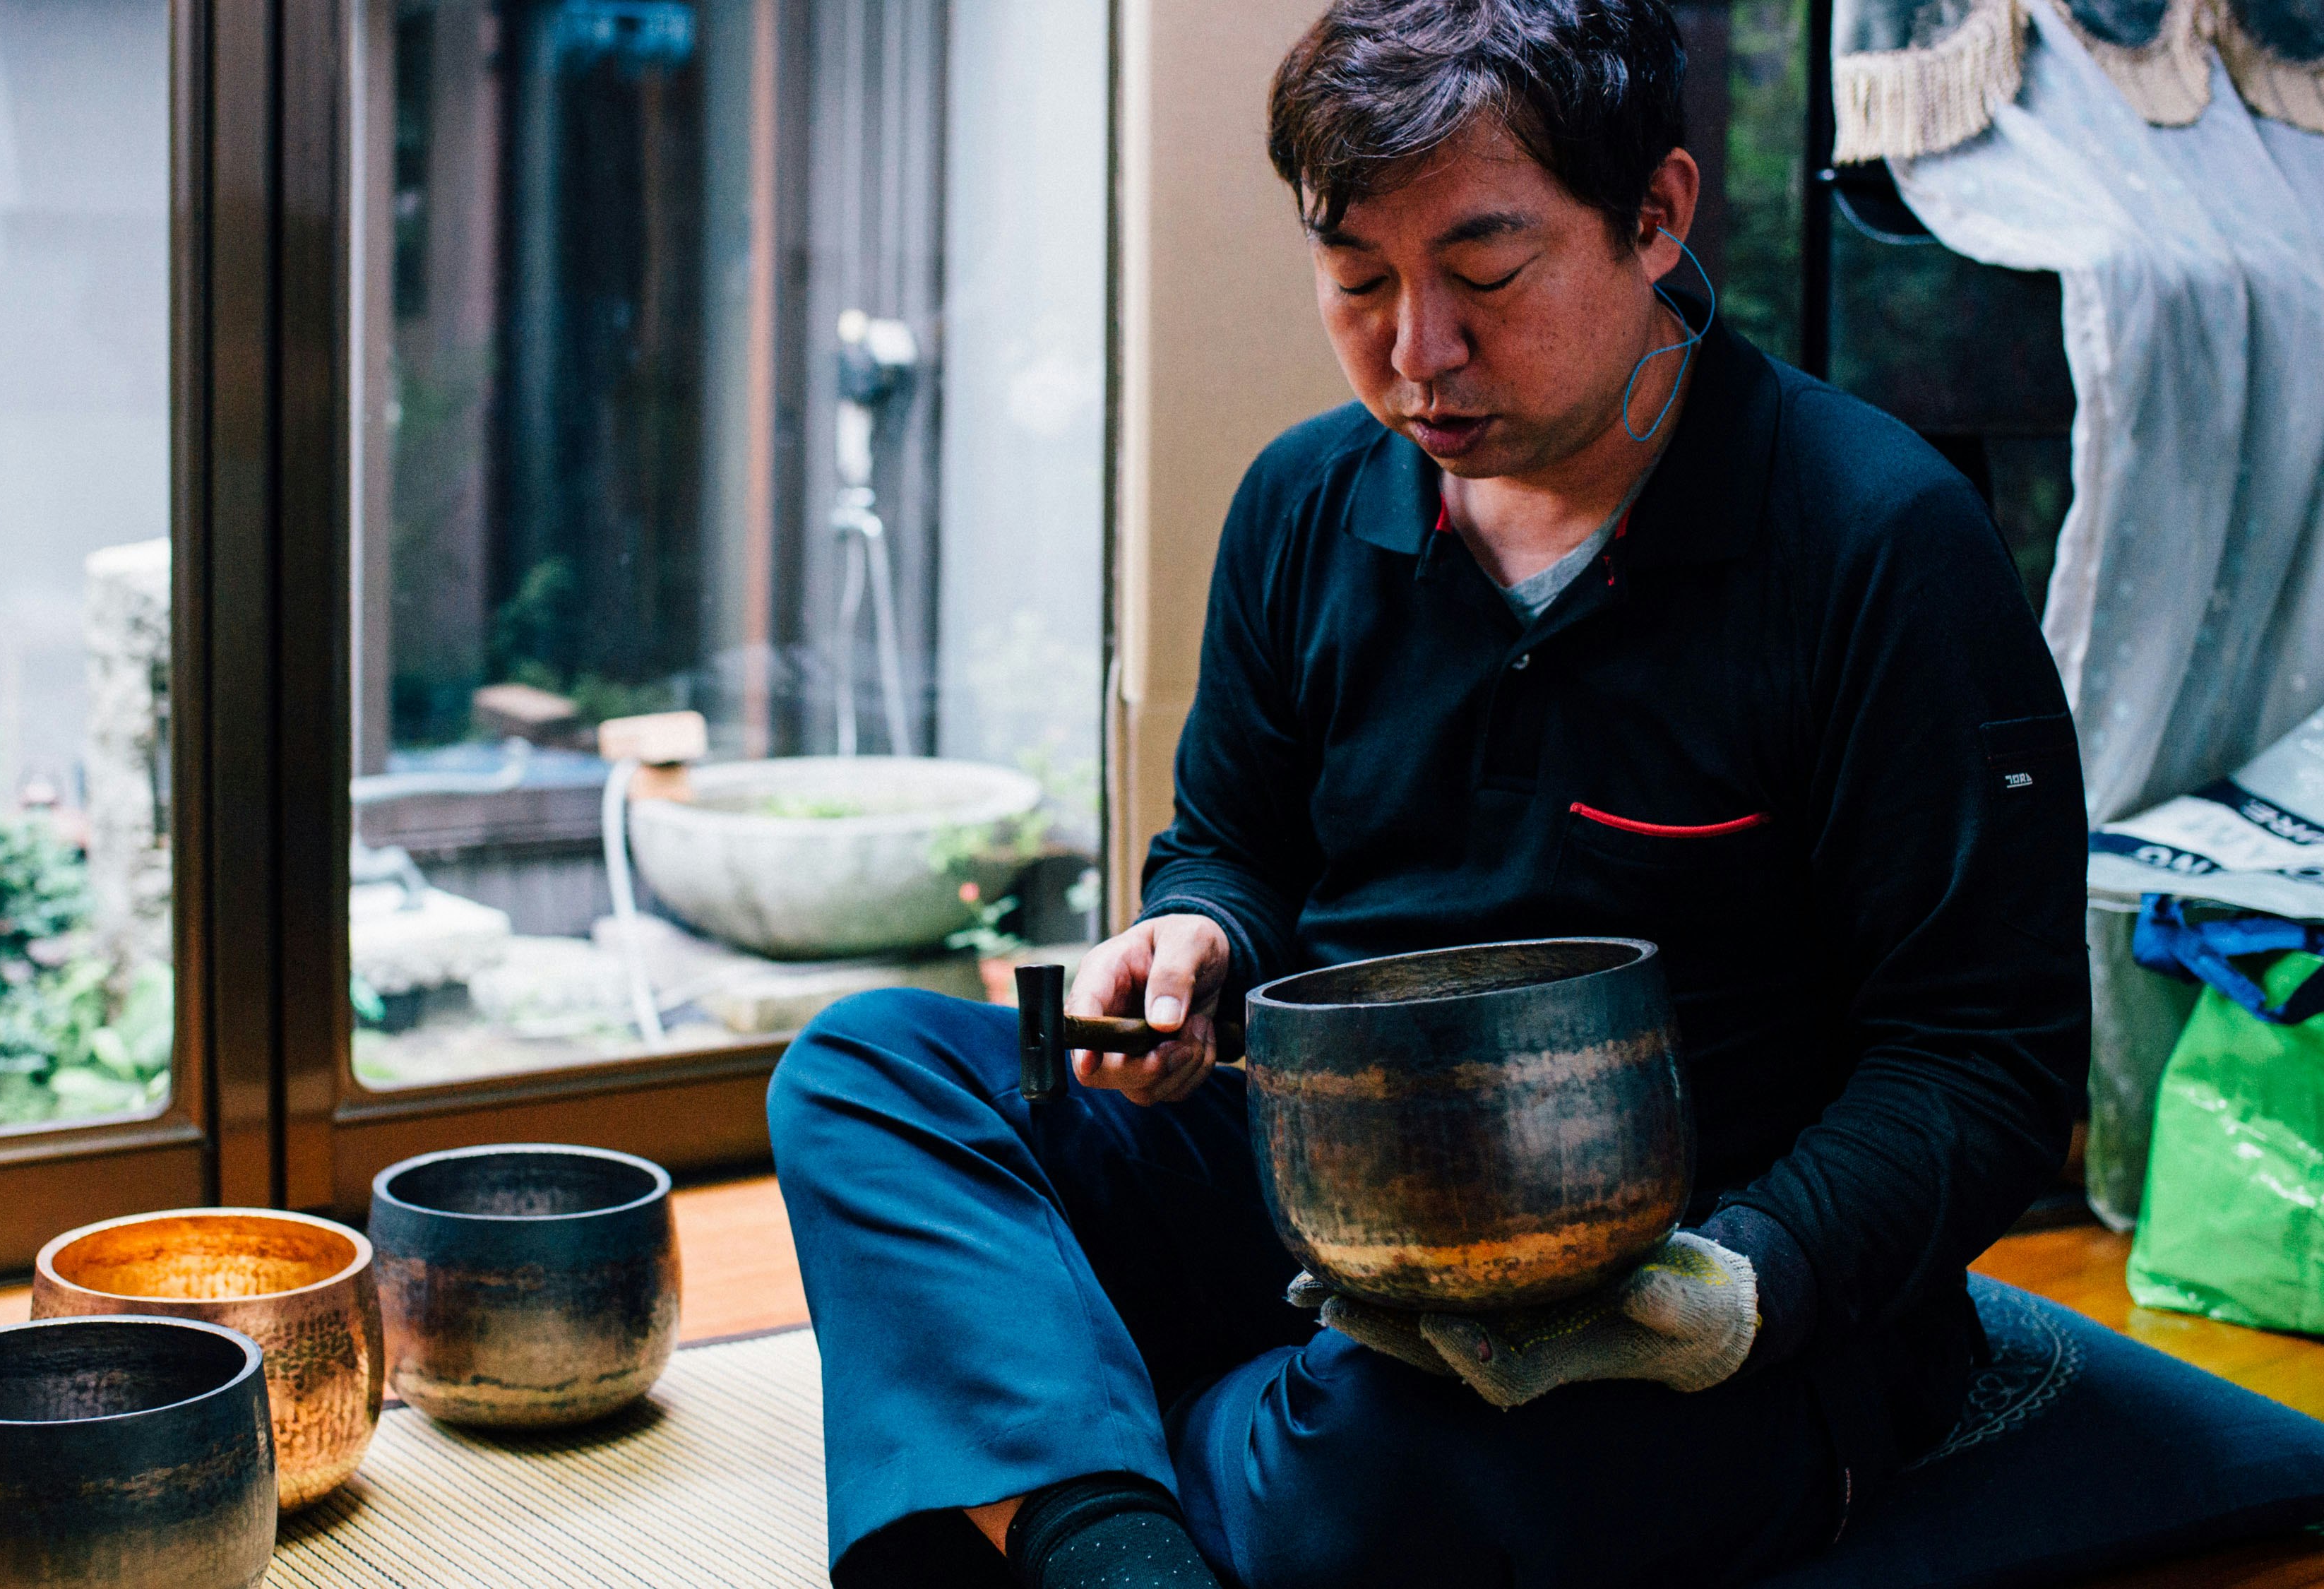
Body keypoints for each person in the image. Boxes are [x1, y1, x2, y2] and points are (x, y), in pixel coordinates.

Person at [768, 1, 2087, 1584]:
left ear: (1654, 219)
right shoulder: (1304, 502)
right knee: (866, 1072)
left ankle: (1056, 1475)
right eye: (1355, 281)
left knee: (1373, 1472)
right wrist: (1192, 941)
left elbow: (1982, 1058)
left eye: (1481, 275)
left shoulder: (1875, 537)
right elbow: (1233, 849)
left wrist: (1745, 1279)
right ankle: (1123, 1528)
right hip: (1316, 1199)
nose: (1416, 354)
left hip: (1674, 1269)